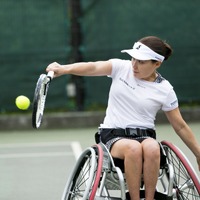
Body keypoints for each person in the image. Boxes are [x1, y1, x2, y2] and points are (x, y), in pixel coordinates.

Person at [46, 36, 200, 200]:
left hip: (145, 135)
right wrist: (63, 69)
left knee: (153, 148)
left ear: (157, 64)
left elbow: (180, 126)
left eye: (141, 61)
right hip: (113, 135)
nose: (134, 64)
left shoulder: (165, 89)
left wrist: (198, 154)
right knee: (133, 148)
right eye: (133, 58)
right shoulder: (121, 68)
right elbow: (92, 67)